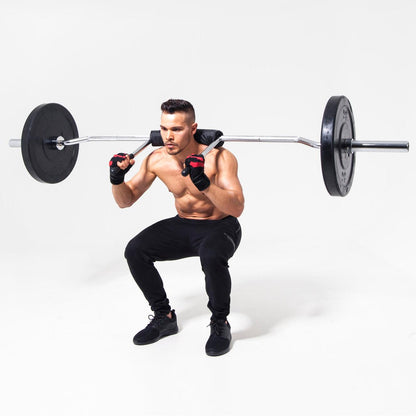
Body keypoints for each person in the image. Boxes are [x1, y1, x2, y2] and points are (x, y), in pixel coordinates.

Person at [109, 99, 244, 356]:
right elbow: (126, 201)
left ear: (193, 129)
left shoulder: (220, 158)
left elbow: (237, 208)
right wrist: (117, 179)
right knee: (135, 251)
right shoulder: (156, 160)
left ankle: (220, 323)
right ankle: (164, 317)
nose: (168, 136)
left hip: (221, 226)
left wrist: (204, 183)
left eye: (176, 129)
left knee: (211, 255)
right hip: (184, 224)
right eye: (164, 129)